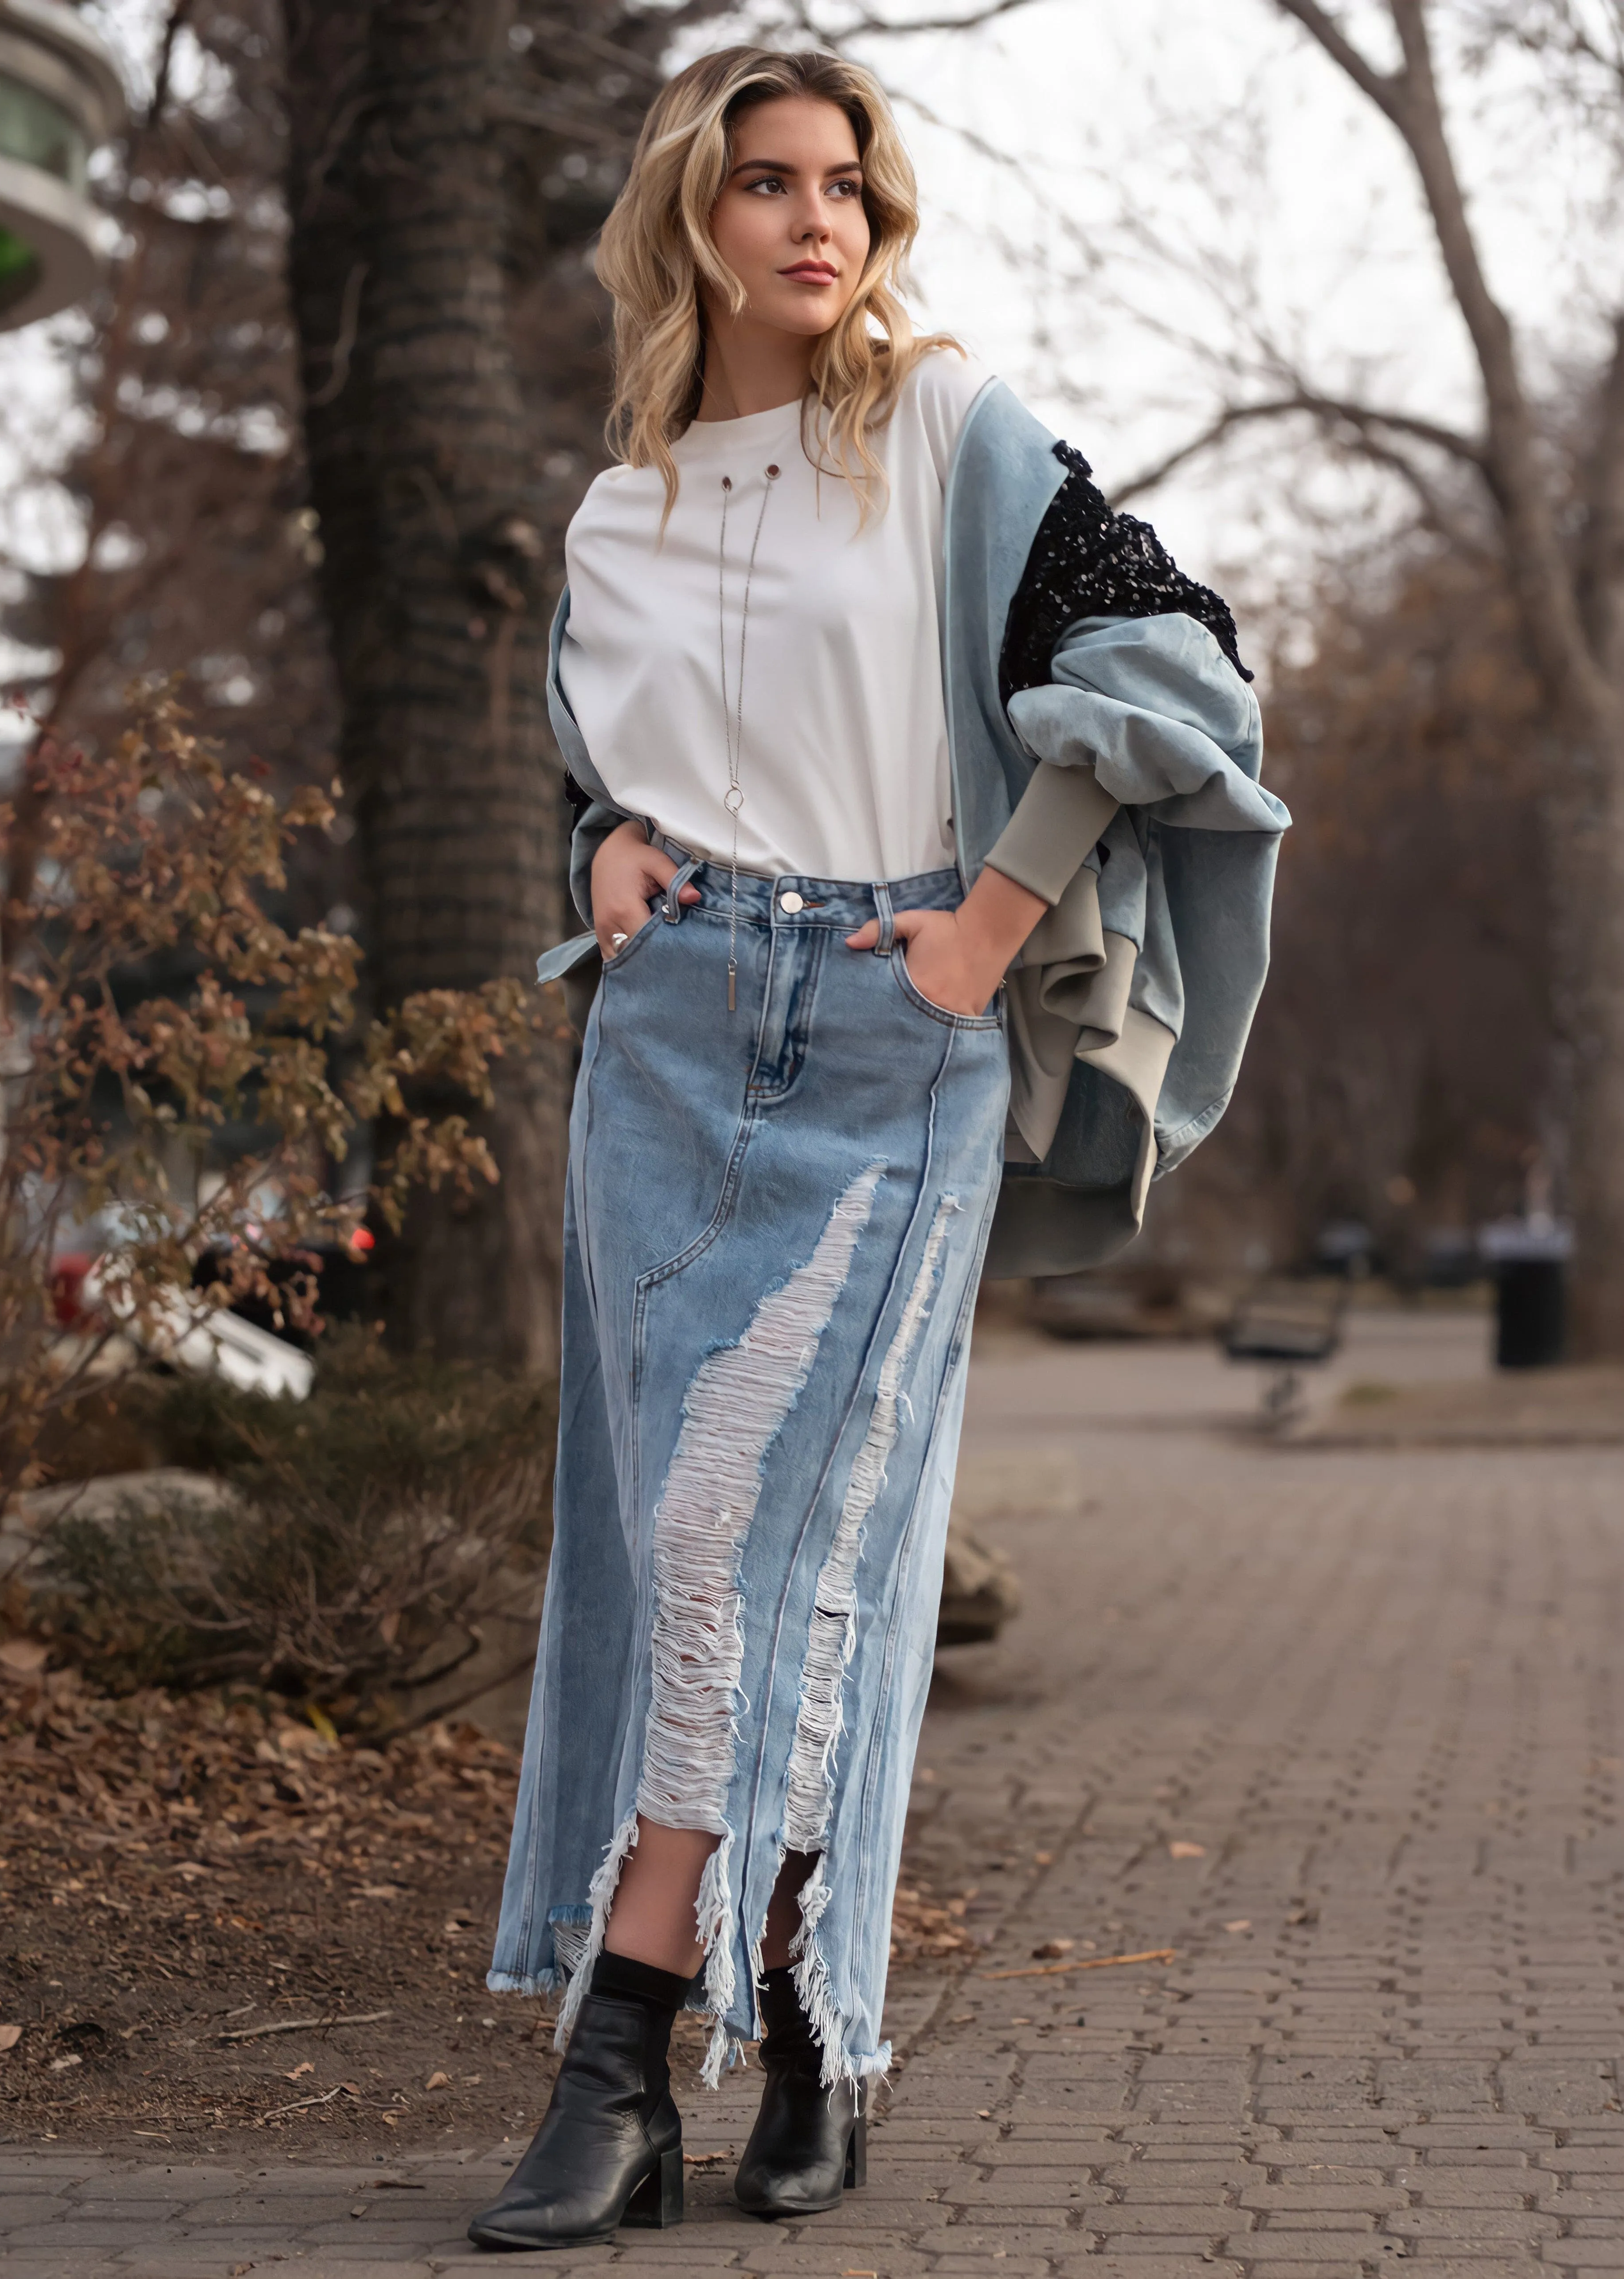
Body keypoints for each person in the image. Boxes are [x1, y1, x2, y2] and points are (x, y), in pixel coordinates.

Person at [469, 45, 1287, 2252]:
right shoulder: (616, 507)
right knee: (698, 1559)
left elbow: (1174, 667)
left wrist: (995, 913)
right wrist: (605, 847)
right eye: (765, 186)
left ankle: (618, 2058)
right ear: (688, 219)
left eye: (848, 187)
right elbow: (614, 746)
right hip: (658, 1053)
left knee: (747, 1527)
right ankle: (818, 2033)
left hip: (885, 1034)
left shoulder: (945, 436)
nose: (815, 223)